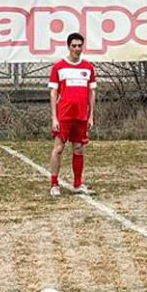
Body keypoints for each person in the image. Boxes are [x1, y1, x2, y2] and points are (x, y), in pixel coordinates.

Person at [48, 32, 97, 196]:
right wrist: (54, 117)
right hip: (64, 115)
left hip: (81, 116)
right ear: (68, 47)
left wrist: (91, 116)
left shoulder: (88, 67)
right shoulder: (59, 67)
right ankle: (54, 184)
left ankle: (78, 183)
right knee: (59, 148)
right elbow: (53, 93)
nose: (77, 49)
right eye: (74, 46)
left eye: (79, 45)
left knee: (78, 148)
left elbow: (92, 92)